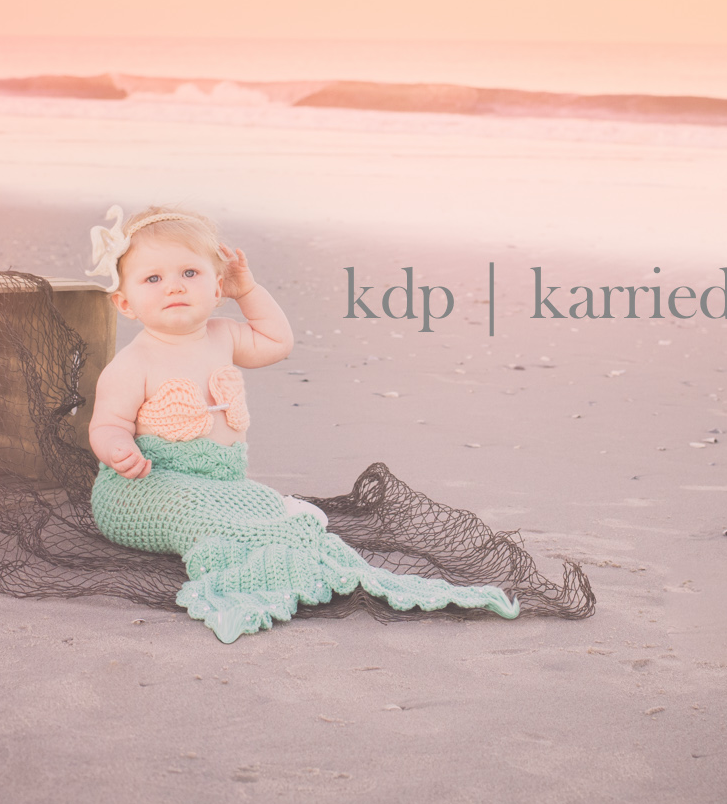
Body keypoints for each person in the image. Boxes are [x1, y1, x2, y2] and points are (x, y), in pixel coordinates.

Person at [83, 205, 519, 642]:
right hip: (141, 489)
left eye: (190, 274)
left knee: (256, 501)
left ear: (217, 288)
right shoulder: (134, 363)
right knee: (193, 510)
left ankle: (275, 525)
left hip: (222, 486)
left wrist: (248, 290)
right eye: (153, 279)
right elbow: (106, 425)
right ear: (125, 303)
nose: (174, 286)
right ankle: (252, 551)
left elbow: (277, 341)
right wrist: (118, 449)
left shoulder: (223, 335)